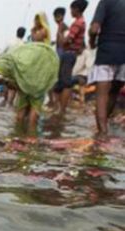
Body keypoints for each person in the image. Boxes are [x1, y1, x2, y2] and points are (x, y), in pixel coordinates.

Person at [0, 42, 60, 128]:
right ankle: (29, 134)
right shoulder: (20, 58)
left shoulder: (15, 66)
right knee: (30, 116)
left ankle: (21, 132)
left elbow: (16, 86)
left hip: (32, 86)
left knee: (23, 115)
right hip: (36, 85)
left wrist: (7, 82)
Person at [88, 0, 125, 135]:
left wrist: (92, 42)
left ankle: (102, 132)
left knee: (101, 95)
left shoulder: (105, 2)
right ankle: (103, 126)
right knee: (114, 92)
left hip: (106, 52)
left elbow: (94, 29)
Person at [53, 0, 88, 115]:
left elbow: (66, 41)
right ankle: (58, 108)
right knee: (61, 82)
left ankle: (62, 110)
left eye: (71, 9)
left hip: (69, 54)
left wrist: (60, 34)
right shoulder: (80, 22)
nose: (71, 12)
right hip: (70, 53)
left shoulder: (77, 23)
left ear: (76, 9)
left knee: (66, 82)